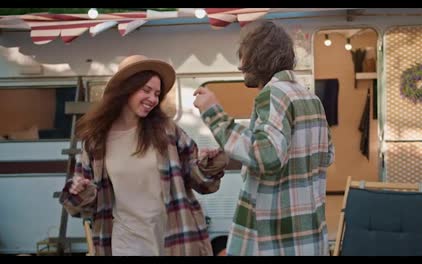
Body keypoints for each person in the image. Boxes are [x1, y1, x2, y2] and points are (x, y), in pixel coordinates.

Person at [59, 55, 228, 256]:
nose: (153, 99)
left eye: (157, 93)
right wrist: (79, 190)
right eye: (146, 90)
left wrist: (209, 163)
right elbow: (84, 204)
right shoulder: (96, 141)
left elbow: (200, 181)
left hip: (173, 237)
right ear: (125, 89)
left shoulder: (167, 131)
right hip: (125, 241)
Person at [193, 20, 335, 256]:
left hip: (275, 240)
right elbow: (322, 155)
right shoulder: (311, 99)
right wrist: (229, 156)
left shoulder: (274, 94)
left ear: (260, 58)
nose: (240, 66)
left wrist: (213, 113)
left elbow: (268, 156)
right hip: (307, 237)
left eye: (244, 57)